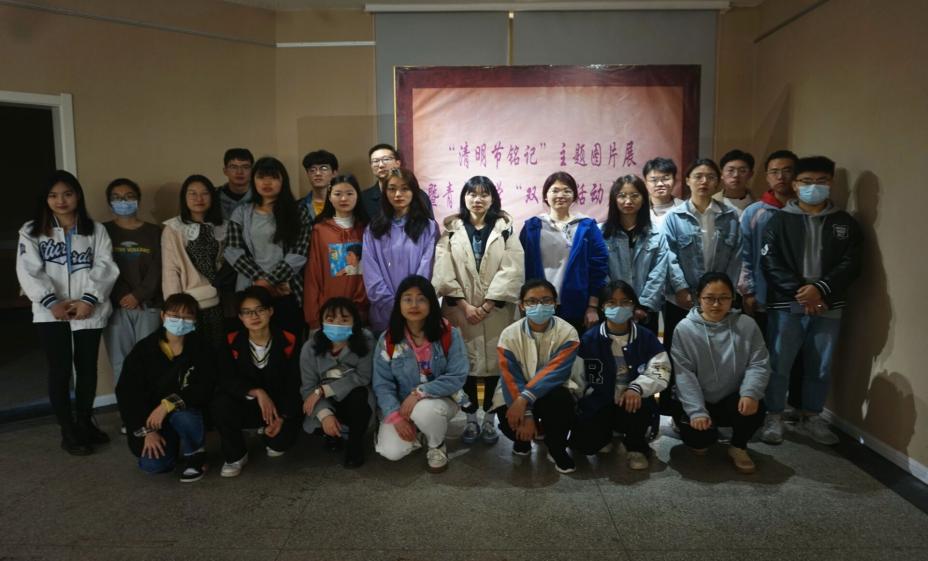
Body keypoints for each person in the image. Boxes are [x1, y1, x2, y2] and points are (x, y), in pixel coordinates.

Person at [760, 156, 862, 446]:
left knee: (821, 364)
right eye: (806, 182)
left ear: (831, 183)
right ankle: (774, 415)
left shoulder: (844, 222)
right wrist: (802, 292)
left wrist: (821, 289)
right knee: (779, 362)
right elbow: (770, 261)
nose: (813, 187)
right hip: (788, 302)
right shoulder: (779, 220)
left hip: (828, 303)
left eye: (821, 181)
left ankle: (812, 415)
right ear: (795, 184)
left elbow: (852, 263)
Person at [16, 170, 119, 455]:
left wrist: (89, 300)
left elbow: (105, 266)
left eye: (67, 194)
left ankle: (85, 422)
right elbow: (28, 270)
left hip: (89, 309)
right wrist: (52, 302)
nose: (61, 201)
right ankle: (68, 430)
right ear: (45, 199)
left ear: (78, 196)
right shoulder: (31, 230)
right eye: (53, 195)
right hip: (51, 312)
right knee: (60, 370)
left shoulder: (95, 230)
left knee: (87, 369)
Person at [432, 176, 524, 445]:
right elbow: (443, 270)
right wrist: (465, 305)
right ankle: (470, 419)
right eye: (472, 194)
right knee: (465, 366)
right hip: (460, 310)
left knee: (496, 366)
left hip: (497, 312)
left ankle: (489, 421)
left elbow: (513, 269)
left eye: (484, 194)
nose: (478, 199)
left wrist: (487, 305)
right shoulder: (451, 231)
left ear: (493, 198)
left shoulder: (505, 230)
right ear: (464, 198)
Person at [672, 272, 770, 474]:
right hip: (700, 398)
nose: (716, 304)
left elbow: (759, 363)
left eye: (724, 298)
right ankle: (703, 430)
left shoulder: (747, 325)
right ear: (699, 298)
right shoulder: (684, 329)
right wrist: (696, 411)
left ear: (732, 298)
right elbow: (684, 374)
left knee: (756, 404)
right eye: (709, 298)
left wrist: (750, 392)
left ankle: (738, 447)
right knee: (699, 444)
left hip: (733, 398)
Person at [570, 281, 671, 471]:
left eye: (625, 302)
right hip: (600, 402)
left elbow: (661, 369)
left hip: (633, 402)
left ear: (633, 306)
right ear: (602, 307)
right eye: (611, 302)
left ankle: (636, 447)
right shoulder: (590, 339)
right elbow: (577, 378)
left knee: (637, 406)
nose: (618, 307)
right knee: (583, 445)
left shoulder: (646, 337)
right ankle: (607, 434)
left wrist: (637, 388)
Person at [115, 293, 215, 482]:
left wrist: (167, 405)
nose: (180, 321)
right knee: (154, 466)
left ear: (195, 320)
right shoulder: (143, 350)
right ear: (163, 316)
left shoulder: (202, 348)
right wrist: (147, 431)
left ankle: (196, 455)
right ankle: (173, 444)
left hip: (184, 411)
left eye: (187, 317)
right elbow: (127, 394)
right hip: (152, 420)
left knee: (184, 416)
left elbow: (205, 386)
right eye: (174, 316)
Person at [372, 275, 468, 473]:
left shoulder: (448, 333)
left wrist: (420, 393)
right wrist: (395, 417)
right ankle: (419, 431)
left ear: (431, 303)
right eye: (407, 299)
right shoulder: (388, 339)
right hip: (401, 406)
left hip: (439, 400)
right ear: (399, 304)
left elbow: (457, 375)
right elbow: (382, 384)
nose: (414, 305)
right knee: (391, 451)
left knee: (425, 411)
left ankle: (436, 445)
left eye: (421, 299)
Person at [212, 286, 302, 477]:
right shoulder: (231, 341)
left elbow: (295, 383)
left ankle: (269, 432)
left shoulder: (289, 340)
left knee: (279, 445)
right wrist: (256, 392)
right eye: (247, 312)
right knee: (221, 403)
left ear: (270, 311)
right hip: (246, 403)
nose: (254, 316)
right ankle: (236, 455)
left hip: (278, 408)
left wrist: (283, 417)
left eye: (260, 310)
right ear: (240, 317)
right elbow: (225, 379)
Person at [495, 279, 583, 474]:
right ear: (521, 306)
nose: (539, 306)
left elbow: (556, 373)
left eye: (546, 300)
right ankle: (522, 441)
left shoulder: (568, 332)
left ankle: (556, 448)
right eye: (532, 301)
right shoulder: (509, 335)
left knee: (561, 402)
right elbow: (510, 376)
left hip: (552, 390)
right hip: (516, 390)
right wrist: (526, 413)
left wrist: (523, 400)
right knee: (507, 413)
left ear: (555, 303)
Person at [660, 158, 743, 352]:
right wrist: (681, 289)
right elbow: (668, 256)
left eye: (710, 177)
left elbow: (736, 257)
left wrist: (726, 293)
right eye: (698, 176)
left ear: (718, 182)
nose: (704, 181)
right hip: (682, 299)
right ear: (687, 180)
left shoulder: (730, 216)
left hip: (717, 300)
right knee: (679, 350)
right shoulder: (674, 217)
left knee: (715, 350)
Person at [225, 156, 312, 338]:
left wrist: (269, 281)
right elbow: (232, 251)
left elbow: (299, 253)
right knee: (252, 345)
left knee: (289, 343)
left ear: (283, 181)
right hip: (250, 292)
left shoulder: (298, 211)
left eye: (273, 177)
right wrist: (261, 281)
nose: (266, 182)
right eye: (261, 177)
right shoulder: (241, 212)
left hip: (287, 291)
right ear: (253, 180)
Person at [520, 171, 608, 332]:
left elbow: (599, 268)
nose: (560, 195)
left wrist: (592, 306)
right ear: (545, 196)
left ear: (574, 196)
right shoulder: (532, 226)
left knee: (573, 346)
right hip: (538, 305)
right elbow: (520, 267)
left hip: (577, 305)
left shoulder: (587, 226)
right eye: (555, 190)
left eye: (567, 191)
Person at [102, 178, 163, 390]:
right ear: (109, 202)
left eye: (129, 197)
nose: (123, 201)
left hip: (149, 305)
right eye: (117, 198)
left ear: (138, 200)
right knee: (121, 362)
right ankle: (128, 407)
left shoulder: (155, 232)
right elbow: (102, 267)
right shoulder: (102, 231)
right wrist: (123, 295)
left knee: (150, 360)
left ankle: (150, 408)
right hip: (115, 306)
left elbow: (159, 267)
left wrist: (139, 295)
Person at [301, 297, 375, 468]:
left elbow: (363, 376)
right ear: (322, 322)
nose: (337, 324)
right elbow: (308, 388)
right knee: (319, 417)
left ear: (354, 322)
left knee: (359, 396)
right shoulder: (310, 348)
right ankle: (332, 433)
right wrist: (325, 414)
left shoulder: (366, 341)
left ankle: (355, 445)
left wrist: (324, 390)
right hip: (324, 400)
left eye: (344, 319)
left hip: (354, 395)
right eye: (330, 319)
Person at [362, 168, 438, 333]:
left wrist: (411, 304)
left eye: (405, 189)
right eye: (392, 189)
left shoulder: (428, 227)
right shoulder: (373, 229)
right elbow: (371, 276)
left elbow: (426, 270)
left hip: (418, 311)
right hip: (384, 314)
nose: (398, 194)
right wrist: (394, 307)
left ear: (414, 192)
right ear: (385, 193)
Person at [600, 174, 673, 334]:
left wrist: (642, 306)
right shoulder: (601, 233)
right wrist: (617, 303)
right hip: (612, 309)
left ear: (644, 199)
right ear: (614, 199)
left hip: (645, 312)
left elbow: (659, 273)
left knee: (645, 348)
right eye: (622, 196)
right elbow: (600, 271)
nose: (628, 201)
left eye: (634, 195)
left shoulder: (657, 233)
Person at [162, 175, 229, 349]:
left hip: (218, 302)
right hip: (188, 305)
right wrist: (175, 310)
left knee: (218, 350)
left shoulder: (223, 227)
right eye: (192, 193)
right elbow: (170, 270)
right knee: (192, 351)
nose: (199, 198)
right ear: (184, 197)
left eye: (205, 193)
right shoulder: (173, 229)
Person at [304, 174, 370, 329]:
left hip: (361, 311)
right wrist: (313, 317)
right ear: (329, 197)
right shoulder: (320, 230)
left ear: (357, 196)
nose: (344, 199)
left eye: (349, 193)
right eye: (338, 194)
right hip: (329, 313)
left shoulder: (367, 229)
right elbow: (313, 274)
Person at [361, 143, 433, 221]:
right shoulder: (364, 198)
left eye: (386, 159)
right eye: (375, 161)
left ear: (397, 163)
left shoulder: (419, 195)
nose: (381, 165)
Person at [642, 157, 685, 228]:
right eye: (654, 180)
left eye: (665, 179)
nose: (660, 184)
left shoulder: (685, 208)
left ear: (675, 181)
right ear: (645, 183)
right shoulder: (638, 208)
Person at [299, 149, 338, 222]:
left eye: (323, 168)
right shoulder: (298, 206)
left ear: (334, 173)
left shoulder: (342, 203)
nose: (317, 173)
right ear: (307, 174)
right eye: (312, 170)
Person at [714, 149, 756, 217]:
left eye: (742, 171)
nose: (736, 175)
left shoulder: (759, 205)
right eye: (730, 170)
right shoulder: (711, 203)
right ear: (721, 174)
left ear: (750, 174)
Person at [218, 148, 255, 221]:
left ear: (252, 171)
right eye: (233, 167)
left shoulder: (262, 197)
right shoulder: (214, 198)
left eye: (245, 167)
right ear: (225, 171)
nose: (239, 172)